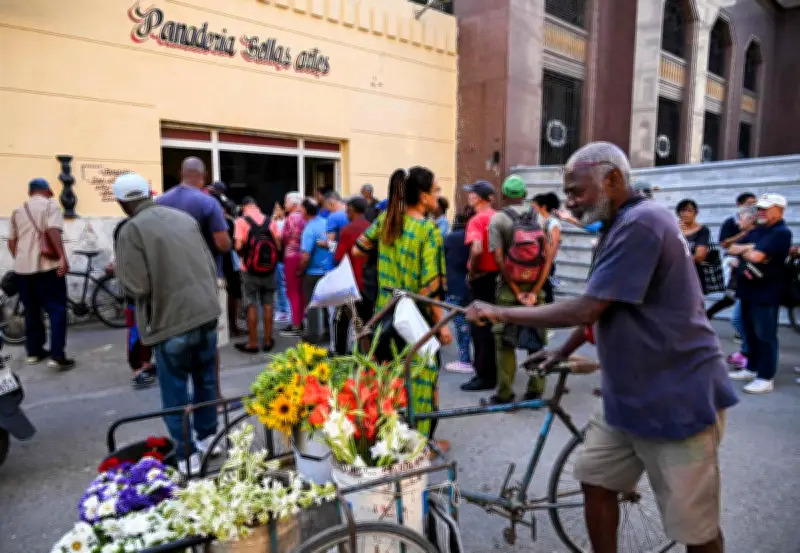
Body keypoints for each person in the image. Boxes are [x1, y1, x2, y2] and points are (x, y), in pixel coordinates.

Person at [466, 142, 737, 553]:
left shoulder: (642, 223)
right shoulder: (619, 223)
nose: (571, 202)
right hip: (626, 395)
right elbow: (604, 306)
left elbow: (589, 306)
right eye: (567, 193)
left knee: (695, 527)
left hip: (676, 396)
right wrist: (561, 351)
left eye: (577, 191)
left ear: (612, 179)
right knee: (595, 480)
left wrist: (500, 312)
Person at [112, 173, 221, 474]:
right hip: (206, 313)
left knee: (174, 391)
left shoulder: (131, 229)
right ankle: (210, 438)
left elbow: (136, 287)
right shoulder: (184, 218)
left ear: (121, 202)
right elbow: (209, 264)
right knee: (205, 380)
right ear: (149, 193)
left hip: (170, 321)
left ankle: (187, 455)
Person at [353, 167, 452, 439]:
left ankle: (389, 438)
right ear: (423, 197)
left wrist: (388, 259)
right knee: (421, 378)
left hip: (385, 313)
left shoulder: (386, 220)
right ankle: (419, 444)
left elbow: (357, 249)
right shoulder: (427, 231)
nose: (438, 196)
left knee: (389, 375)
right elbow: (431, 288)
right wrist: (442, 326)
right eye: (436, 191)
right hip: (416, 319)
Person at [157, 157, 231, 400]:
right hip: (206, 281)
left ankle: (181, 402)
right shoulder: (208, 202)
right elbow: (222, 244)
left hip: (171, 281)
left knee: (176, 341)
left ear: (181, 172)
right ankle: (213, 397)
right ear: (204, 175)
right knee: (209, 342)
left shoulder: (161, 202)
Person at [484, 176, 551, 404]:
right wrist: (535, 290)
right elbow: (547, 258)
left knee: (504, 343)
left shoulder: (498, 219)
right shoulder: (539, 219)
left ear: (503, 195)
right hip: (535, 288)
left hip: (508, 289)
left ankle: (505, 393)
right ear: (524, 195)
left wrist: (515, 289)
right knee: (536, 341)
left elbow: (499, 259)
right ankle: (535, 390)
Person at [728, 193, 792, 394]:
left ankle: (765, 376)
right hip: (748, 289)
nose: (761, 212)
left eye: (766, 208)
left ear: (779, 210)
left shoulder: (781, 232)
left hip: (766, 291)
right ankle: (751, 367)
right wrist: (749, 248)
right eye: (760, 208)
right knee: (750, 332)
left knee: (765, 335)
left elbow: (756, 257)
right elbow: (731, 248)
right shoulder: (758, 230)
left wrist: (748, 251)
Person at [8, 178, 74, 370]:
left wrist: (22, 258)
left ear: (30, 192)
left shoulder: (18, 211)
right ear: (47, 191)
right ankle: (57, 356)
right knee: (57, 310)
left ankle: (34, 352)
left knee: (31, 311)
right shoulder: (50, 206)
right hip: (48, 268)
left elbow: (11, 242)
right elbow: (53, 230)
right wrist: (62, 257)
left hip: (23, 271)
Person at [107, 220, 156, 388]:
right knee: (137, 332)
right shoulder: (126, 240)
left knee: (146, 330)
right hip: (135, 297)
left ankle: (145, 363)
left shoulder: (130, 234)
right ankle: (137, 369)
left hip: (144, 295)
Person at [710, 192, 757, 365]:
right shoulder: (731, 223)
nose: (753, 206)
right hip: (735, 269)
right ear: (739, 204)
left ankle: (749, 353)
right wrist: (743, 237)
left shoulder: (760, 228)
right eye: (749, 203)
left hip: (750, 274)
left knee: (739, 314)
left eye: (754, 203)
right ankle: (747, 351)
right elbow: (727, 246)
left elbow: (756, 250)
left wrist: (744, 249)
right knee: (735, 309)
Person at [460, 180, 499, 392]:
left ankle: (484, 376)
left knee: (479, 326)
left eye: (472, 193)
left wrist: (472, 272)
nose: (469, 196)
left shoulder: (477, 220)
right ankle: (495, 371)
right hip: (498, 278)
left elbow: (476, 249)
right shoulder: (498, 217)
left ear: (478, 197)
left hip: (482, 279)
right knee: (493, 326)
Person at [233, 197, 277, 353]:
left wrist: (244, 255)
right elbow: (278, 244)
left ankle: (252, 343)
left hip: (249, 269)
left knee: (251, 304)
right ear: (256, 205)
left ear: (243, 206)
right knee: (268, 303)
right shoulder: (270, 220)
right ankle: (267, 340)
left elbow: (238, 245)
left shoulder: (240, 221)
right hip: (269, 269)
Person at [332, 197, 373, 354]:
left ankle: (340, 354)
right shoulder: (371, 227)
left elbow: (338, 257)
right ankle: (366, 355)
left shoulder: (347, 230)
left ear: (352, 210)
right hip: (369, 284)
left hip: (351, 283)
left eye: (347, 211)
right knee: (365, 322)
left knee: (341, 320)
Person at [443, 208, 474, 373]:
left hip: (454, 286)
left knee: (461, 324)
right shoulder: (474, 237)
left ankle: (465, 360)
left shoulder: (451, 238)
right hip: (471, 286)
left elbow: (443, 259)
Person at [299, 198, 333, 343]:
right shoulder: (326, 223)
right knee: (327, 303)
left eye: (301, 209)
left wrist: (300, 270)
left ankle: (313, 334)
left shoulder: (309, 229)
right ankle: (328, 332)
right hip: (328, 271)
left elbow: (305, 256)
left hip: (313, 272)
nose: (299, 211)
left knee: (313, 305)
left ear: (306, 211)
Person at [279, 192, 307, 337]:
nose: (284, 205)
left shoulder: (291, 218)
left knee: (292, 291)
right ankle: (300, 320)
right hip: (303, 255)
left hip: (291, 256)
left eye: (286, 202)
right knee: (301, 291)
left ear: (294, 204)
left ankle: (296, 324)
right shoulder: (305, 217)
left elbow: (284, 237)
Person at [532, 192, 562, 304]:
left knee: (546, 294)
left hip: (546, 264)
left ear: (543, 207)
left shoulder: (553, 223)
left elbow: (552, 250)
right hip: (539, 264)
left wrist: (546, 263)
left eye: (534, 207)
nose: (532, 210)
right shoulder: (539, 221)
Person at [676, 199, 712, 288]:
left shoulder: (702, 230)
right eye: (682, 211)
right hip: (674, 274)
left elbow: (700, 256)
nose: (686, 214)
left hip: (695, 273)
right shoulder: (673, 229)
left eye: (689, 210)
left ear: (695, 213)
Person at [271, 202, 291, 324]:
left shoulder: (280, 223)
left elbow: (277, 239)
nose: (276, 211)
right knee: (283, 285)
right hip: (285, 258)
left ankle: (284, 310)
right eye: (275, 209)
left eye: (278, 209)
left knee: (281, 286)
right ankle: (285, 309)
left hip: (281, 258)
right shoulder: (287, 222)